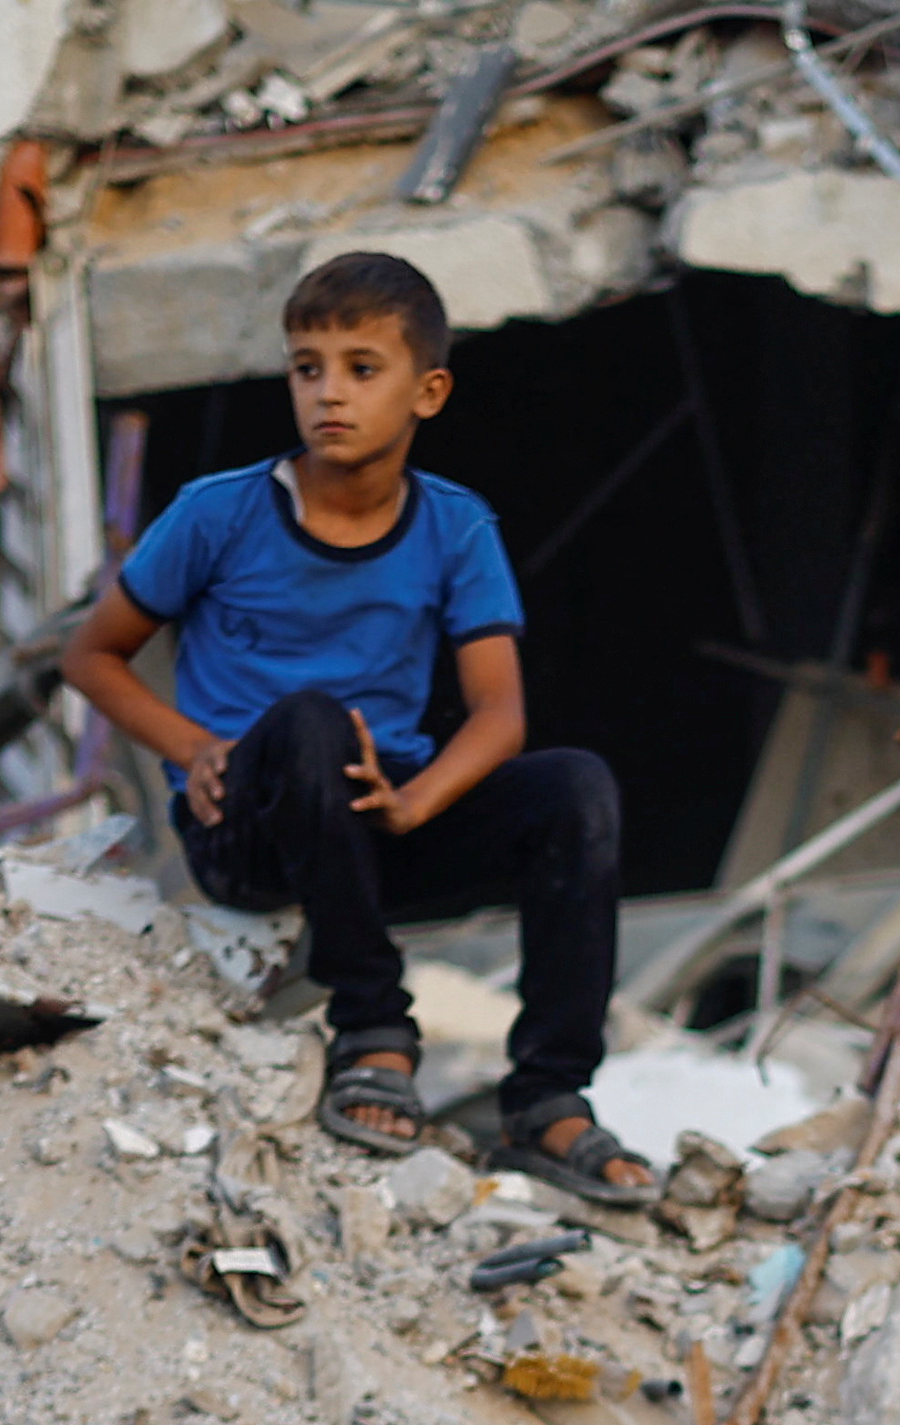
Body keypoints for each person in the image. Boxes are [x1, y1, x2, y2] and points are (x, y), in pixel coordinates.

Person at [59, 249, 646, 1209]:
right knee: (309, 721)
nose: (329, 393)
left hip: (379, 825)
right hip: (250, 831)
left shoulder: (455, 528)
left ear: (429, 391)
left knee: (576, 786)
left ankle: (548, 1099)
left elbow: (501, 713)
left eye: (362, 369)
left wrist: (418, 802)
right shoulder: (219, 514)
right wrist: (190, 747)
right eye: (307, 367)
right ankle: (374, 1030)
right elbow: (90, 655)